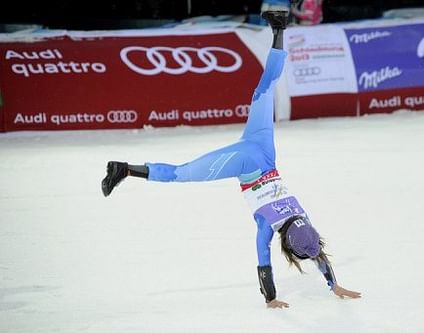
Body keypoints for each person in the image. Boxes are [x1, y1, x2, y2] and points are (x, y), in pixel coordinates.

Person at [101, 10, 361, 308]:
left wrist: (333, 284)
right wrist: (272, 299)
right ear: (288, 245)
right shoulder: (268, 225)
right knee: (181, 174)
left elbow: (316, 252)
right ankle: (125, 170)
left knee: (265, 90)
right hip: (246, 163)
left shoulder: (304, 219)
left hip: (264, 152)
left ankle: (279, 29)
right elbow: (265, 264)